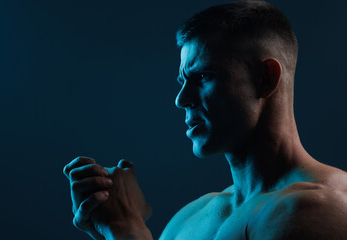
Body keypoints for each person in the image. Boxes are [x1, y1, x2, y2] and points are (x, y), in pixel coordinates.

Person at [63, 1, 347, 239]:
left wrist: (127, 230)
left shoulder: (318, 208)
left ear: (265, 79)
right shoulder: (191, 218)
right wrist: (110, 228)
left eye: (203, 76)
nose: (181, 99)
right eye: (182, 81)